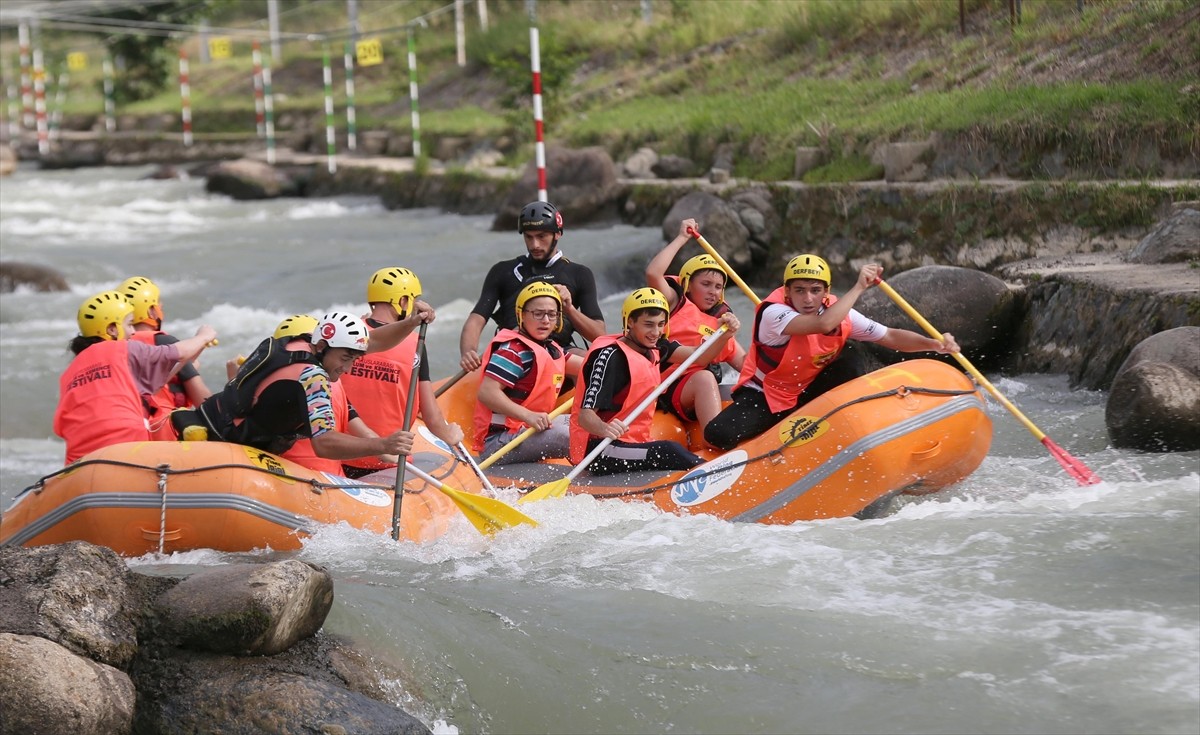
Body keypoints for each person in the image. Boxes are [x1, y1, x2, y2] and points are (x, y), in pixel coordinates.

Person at [703, 255, 961, 451]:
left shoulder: (842, 314)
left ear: (826, 293)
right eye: (800, 290)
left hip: (808, 393)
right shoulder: (773, 313)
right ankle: (774, 436)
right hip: (766, 395)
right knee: (717, 434)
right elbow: (822, 325)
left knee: (851, 358)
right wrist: (859, 287)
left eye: (816, 290)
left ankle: (843, 425)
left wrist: (934, 344)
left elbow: (891, 336)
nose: (807, 299)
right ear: (787, 292)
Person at [178, 312, 415, 463]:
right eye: (345, 358)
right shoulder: (312, 376)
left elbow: (373, 342)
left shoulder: (298, 341)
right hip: (225, 444)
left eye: (355, 359)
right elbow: (324, 444)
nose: (349, 368)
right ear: (323, 346)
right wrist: (382, 445)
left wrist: (412, 322)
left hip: (208, 419)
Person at [569, 287, 740, 476]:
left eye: (660, 324)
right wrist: (605, 428)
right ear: (630, 322)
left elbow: (698, 357)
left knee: (670, 449)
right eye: (648, 324)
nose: (656, 332)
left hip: (633, 440)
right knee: (669, 451)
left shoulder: (656, 346)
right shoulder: (610, 357)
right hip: (598, 448)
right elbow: (585, 417)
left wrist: (725, 335)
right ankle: (716, 476)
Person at [54, 290, 217, 465]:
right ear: (112, 329)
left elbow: (162, 378)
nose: (133, 331)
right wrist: (203, 336)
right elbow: (179, 352)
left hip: (78, 462)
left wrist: (195, 352)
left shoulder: (69, 372)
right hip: (126, 450)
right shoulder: (124, 348)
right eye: (129, 324)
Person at [340, 267, 463, 477]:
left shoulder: (345, 334)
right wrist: (450, 434)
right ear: (403, 301)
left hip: (337, 457)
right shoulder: (416, 343)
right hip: (387, 465)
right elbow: (432, 419)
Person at [459, 201, 605, 371]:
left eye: (542, 236)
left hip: (558, 352)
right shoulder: (502, 271)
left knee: (599, 364)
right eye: (529, 237)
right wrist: (468, 352)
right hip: (512, 352)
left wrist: (569, 309)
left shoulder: (579, 274)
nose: (535, 244)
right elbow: (476, 320)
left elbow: (599, 336)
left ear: (557, 234)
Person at [645, 218, 747, 442]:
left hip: (692, 392)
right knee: (704, 378)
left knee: (742, 389)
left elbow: (748, 366)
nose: (713, 292)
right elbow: (653, 273)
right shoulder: (675, 301)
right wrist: (682, 238)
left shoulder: (722, 323)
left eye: (718, 287)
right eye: (706, 284)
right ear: (688, 284)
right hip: (663, 389)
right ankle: (720, 440)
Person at [267, 315, 398, 476]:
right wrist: (384, 448)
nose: (348, 368)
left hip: (297, 469)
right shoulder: (325, 379)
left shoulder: (286, 368)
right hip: (318, 472)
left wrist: (384, 446)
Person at [471, 281, 583, 465]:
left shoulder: (551, 349)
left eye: (551, 314)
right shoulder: (513, 350)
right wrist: (528, 416)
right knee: (568, 435)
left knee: (586, 425)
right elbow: (487, 392)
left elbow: (587, 366)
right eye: (538, 314)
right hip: (500, 442)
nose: (545, 320)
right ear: (521, 315)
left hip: (527, 430)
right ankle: (601, 473)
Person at [119, 276, 214, 440]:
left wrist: (190, 365)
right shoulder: (164, 343)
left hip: (131, 434)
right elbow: (203, 401)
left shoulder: (117, 347)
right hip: (165, 433)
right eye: (158, 303)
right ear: (151, 311)